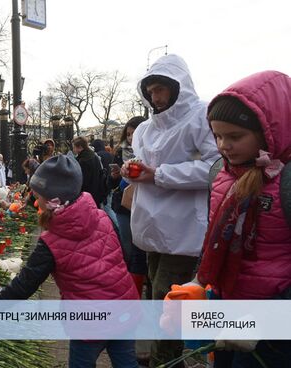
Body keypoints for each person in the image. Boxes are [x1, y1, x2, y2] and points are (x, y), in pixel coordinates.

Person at [166, 71, 291, 367]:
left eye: (235, 136)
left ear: (270, 131)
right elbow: (214, 238)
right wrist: (199, 282)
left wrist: (268, 322)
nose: (224, 145)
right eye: (218, 135)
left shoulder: (286, 182)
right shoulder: (219, 175)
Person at [120, 54, 220, 367]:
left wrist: (159, 174)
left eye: (161, 89)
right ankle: (159, 356)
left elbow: (214, 168)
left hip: (183, 229)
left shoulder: (201, 116)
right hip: (150, 226)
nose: (155, 97)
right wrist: (131, 169)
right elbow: (144, 167)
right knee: (157, 293)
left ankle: (167, 360)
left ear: (178, 87)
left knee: (168, 299)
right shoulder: (144, 130)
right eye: (151, 91)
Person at [0, 155, 138, 368]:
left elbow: (26, 283)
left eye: (37, 196)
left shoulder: (51, 241)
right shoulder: (102, 216)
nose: (35, 200)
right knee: (126, 363)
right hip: (125, 308)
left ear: (52, 200)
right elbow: (123, 256)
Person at [108, 116, 147, 294]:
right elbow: (114, 184)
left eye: (134, 133)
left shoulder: (150, 152)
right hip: (124, 205)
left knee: (142, 250)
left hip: (144, 207)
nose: (131, 137)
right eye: (129, 134)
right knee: (129, 246)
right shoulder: (120, 152)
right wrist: (117, 176)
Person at [72, 137, 106, 207]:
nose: (73, 149)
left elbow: (83, 181)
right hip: (97, 193)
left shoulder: (83, 160)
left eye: (74, 147)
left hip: (87, 197)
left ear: (80, 147)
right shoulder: (94, 156)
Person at [92, 138, 117, 226]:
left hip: (103, 185)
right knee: (109, 206)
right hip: (111, 183)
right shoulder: (110, 155)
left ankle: (117, 227)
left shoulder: (97, 156)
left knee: (107, 208)